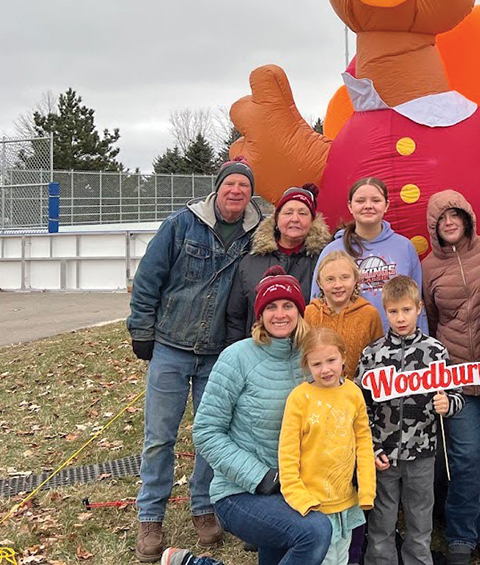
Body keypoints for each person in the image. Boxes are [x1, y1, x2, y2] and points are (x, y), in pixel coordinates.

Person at [127, 157, 263, 560]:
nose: (236, 191)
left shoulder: (256, 235)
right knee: (159, 437)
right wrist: (142, 331)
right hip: (171, 344)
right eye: (230, 184)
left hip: (218, 353)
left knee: (209, 435)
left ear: (251, 193)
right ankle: (150, 516)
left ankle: (203, 507)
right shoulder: (180, 225)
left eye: (243, 185)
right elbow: (148, 278)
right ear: (217, 188)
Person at [193, 266, 332, 565]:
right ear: (260, 314)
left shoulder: (311, 359)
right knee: (315, 531)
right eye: (271, 307)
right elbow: (205, 431)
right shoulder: (237, 357)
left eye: (287, 306)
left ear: (299, 311)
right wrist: (260, 477)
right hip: (242, 492)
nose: (280, 314)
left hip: (295, 488)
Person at [422, 190, 480, 565]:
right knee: (466, 459)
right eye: (441, 218)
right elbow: (428, 320)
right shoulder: (427, 267)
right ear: (433, 227)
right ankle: (461, 536)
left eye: (455, 215)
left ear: (468, 217)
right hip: (458, 378)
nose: (449, 222)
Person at [357, 275, 465, 565]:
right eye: (393, 311)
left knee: (419, 515)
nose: (400, 318)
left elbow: (457, 394)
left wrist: (448, 403)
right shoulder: (372, 355)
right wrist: (372, 446)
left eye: (406, 310)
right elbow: (360, 407)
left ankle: (418, 560)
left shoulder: (435, 352)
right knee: (382, 518)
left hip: (422, 452)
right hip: (384, 453)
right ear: (385, 312)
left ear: (418, 308)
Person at [280, 328, 376, 565]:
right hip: (313, 504)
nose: (325, 370)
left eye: (331, 360)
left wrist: (366, 488)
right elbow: (288, 453)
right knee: (322, 558)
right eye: (317, 364)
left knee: (341, 557)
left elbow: (363, 442)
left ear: (343, 357)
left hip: (346, 500)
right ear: (307, 365)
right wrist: (297, 496)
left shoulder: (353, 393)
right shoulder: (300, 398)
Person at [313, 177, 426, 333]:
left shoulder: (404, 247)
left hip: (398, 343)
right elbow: (317, 303)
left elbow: (417, 301)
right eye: (360, 201)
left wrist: (421, 341)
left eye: (375, 200)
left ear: (386, 205)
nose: (368, 206)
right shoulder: (332, 251)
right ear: (350, 206)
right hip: (347, 344)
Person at [226, 183, 332, 345]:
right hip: (259, 351)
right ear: (276, 219)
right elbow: (235, 316)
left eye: (303, 213)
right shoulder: (251, 261)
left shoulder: (324, 261)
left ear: (312, 221)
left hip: (307, 353)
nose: (295, 219)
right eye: (288, 212)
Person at [305, 250, 384, 379]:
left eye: (345, 277)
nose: (338, 285)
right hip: (319, 391)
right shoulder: (310, 313)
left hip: (358, 393)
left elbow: (378, 358)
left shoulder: (369, 314)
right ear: (319, 283)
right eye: (330, 279)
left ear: (355, 280)